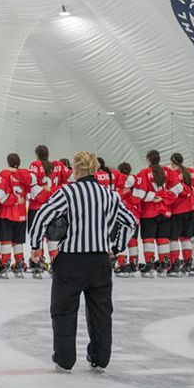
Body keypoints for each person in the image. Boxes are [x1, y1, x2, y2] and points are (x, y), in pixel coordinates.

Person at [29, 151, 137, 373]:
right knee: (101, 312)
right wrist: (116, 247)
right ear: (96, 169)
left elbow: (42, 215)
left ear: (76, 170)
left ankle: (64, 360)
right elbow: (130, 222)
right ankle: (99, 358)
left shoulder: (68, 192)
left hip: (70, 261)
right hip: (100, 261)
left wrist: (36, 246)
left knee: (63, 311)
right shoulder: (110, 195)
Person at [135, 150, 176, 276]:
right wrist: (163, 196)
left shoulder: (144, 173)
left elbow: (139, 193)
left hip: (149, 212)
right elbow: (177, 190)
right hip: (165, 211)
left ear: (148, 159)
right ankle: (164, 265)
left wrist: (153, 196)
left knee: (148, 240)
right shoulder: (168, 171)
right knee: (163, 239)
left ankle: (150, 265)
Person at [0, 153, 32, 276]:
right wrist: (19, 199)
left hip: (6, 213)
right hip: (21, 214)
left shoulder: (4, 174)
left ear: (8, 162)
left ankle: (5, 263)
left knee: (6, 240)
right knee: (18, 241)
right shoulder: (24, 175)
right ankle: (19, 263)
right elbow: (29, 195)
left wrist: (14, 199)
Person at [28, 145, 57, 271]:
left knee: (37, 235)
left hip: (36, 207)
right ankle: (54, 261)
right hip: (51, 206)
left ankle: (38, 261)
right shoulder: (54, 166)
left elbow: (32, 184)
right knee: (51, 236)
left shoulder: (35, 165)